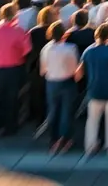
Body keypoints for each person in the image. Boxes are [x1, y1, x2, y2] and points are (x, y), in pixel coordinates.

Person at [0, 3, 31, 138]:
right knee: (12, 99)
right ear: (15, 14)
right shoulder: (19, 31)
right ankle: (11, 127)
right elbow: (27, 50)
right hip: (14, 68)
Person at [79, 22, 108, 158]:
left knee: (92, 120)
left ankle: (90, 146)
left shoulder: (88, 50)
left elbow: (78, 73)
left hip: (94, 90)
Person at [40, 20, 81, 155]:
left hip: (51, 82)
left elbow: (42, 71)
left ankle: (54, 139)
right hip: (67, 82)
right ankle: (65, 139)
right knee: (66, 112)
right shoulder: (71, 48)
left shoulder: (45, 49)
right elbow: (75, 68)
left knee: (53, 111)